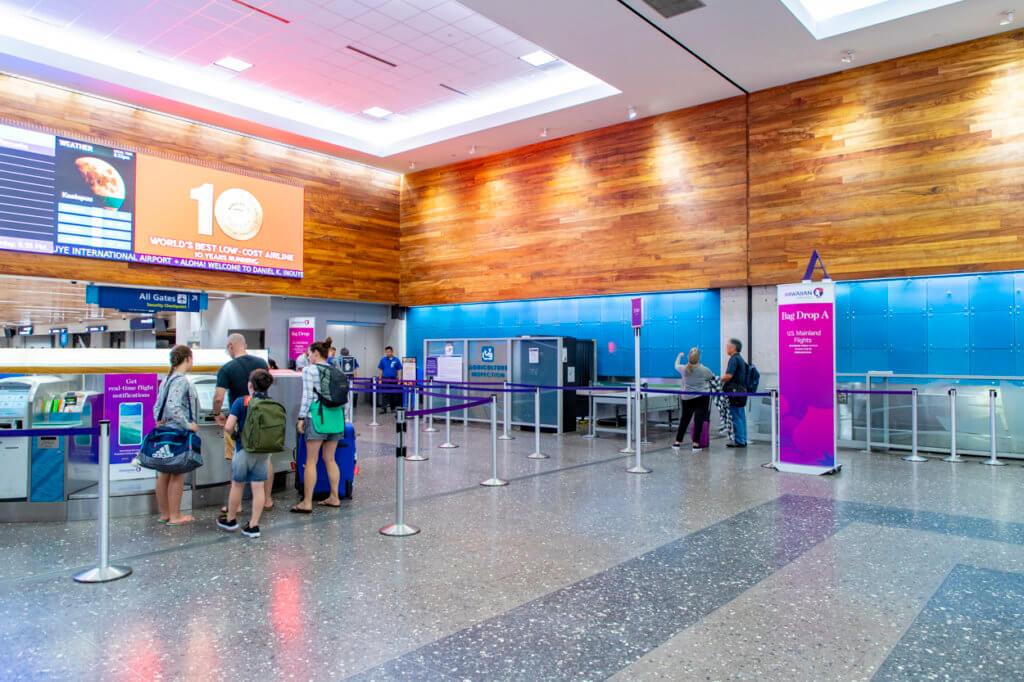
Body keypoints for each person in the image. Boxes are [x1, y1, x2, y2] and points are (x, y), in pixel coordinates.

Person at [211, 333, 272, 513]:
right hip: (263, 417)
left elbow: (219, 396)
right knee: (265, 459)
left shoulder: (227, 368)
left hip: (239, 418)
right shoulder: (262, 363)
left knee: (237, 461)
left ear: (230, 346)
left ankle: (235, 505)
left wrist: (216, 413)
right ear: (244, 345)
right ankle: (267, 500)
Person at [218, 369, 275, 538]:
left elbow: (229, 426)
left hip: (244, 449)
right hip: (264, 451)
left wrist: (236, 437)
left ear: (250, 385)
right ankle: (253, 526)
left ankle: (230, 520)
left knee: (237, 484)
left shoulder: (241, 402)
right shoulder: (271, 404)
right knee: (258, 487)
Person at [291, 338, 344, 513]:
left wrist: (301, 417)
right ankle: (334, 497)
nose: (308, 356)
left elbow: (307, 396)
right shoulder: (336, 370)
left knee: (311, 461)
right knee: (330, 458)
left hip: (317, 416)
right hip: (336, 417)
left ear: (315, 353)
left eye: (309, 353)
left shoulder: (309, 370)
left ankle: (306, 502)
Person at [154, 345, 200, 525]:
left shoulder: (166, 380)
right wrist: (189, 425)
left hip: (166, 431)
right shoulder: (181, 380)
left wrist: (159, 421)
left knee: (164, 472)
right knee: (177, 473)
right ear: (188, 358)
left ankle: (165, 513)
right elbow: (173, 406)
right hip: (178, 432)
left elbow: (158, 406)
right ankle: (175, 516)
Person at [673, 347, 714, 452]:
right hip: (702, 397)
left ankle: (677, 442)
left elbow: (676, 365)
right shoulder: (704, 369)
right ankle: (696, 444)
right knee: (698, 420)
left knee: (685, 419)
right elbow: (711, 376)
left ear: (688, 357)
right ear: (699, 358)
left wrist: (679, 356)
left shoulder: (683, 369)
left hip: (687, 397)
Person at [721, 338, 748, 448]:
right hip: (742, 392)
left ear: (733, 348)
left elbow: (729, 375)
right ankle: (743, 439)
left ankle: (739, 440)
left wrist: (718, 379)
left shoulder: (733, 359)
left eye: (728, 346)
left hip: (735, 393)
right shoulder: (740, 359)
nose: (726, 348)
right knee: (741, 416)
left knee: (736, 416)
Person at [377, 345, 402, 413]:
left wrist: (399, 379)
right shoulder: (383, 360)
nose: (387, 353)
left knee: (393, 394)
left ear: (392, 352)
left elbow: (399, 369)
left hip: (393, 379)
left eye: (389, 352)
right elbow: (380, 370)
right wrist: (380, 379)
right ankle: (383, 408)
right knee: (384, 394)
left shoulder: (396, 360)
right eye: (386, 352)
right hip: (385, 379)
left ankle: (393, 408)